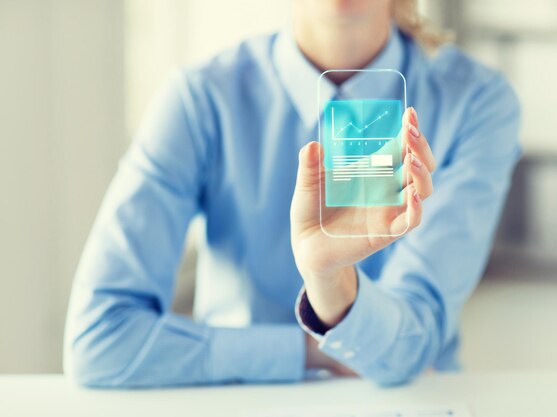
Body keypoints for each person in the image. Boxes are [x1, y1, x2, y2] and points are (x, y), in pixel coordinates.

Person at [64, 0, 520, 387]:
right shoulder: (200, 99)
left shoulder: (476, 101)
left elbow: (411, 346)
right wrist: (311, 351)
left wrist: (330, 280)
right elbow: (99, 341)